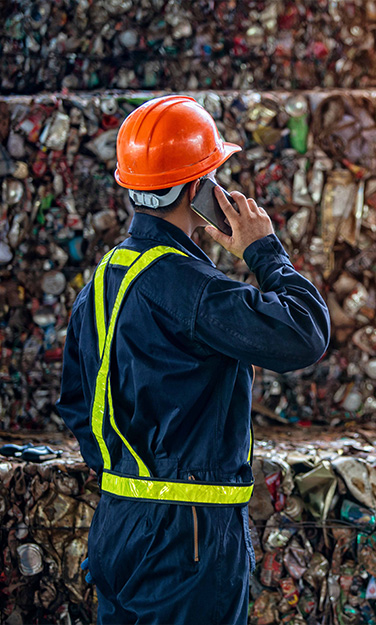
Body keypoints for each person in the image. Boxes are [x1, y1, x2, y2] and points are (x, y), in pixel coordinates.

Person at [56, 95, 330, 624]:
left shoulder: (102, 280)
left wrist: (134, 477)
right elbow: (306, 332)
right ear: (197, 189)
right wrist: (263, 250)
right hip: (189, 538)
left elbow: (76, 404)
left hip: (118, 524)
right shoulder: (192, 288)